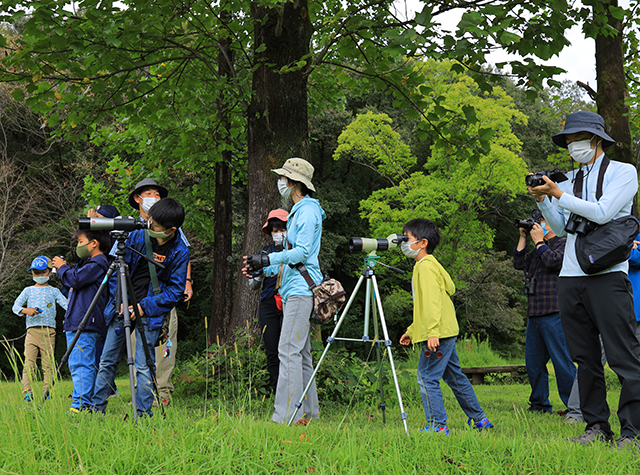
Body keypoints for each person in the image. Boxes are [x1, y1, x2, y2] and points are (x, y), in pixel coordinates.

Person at [529, 110, 640, 448]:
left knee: (624, 356)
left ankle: (634, 432)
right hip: (570, 276)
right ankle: (596, 427)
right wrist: (545, 200)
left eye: (578, 138)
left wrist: (560, 195)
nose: (573, 145)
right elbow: (562, 229)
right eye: (568, 140)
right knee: (585, 357)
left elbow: (605, 213)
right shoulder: (568, 180)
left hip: (608, 276)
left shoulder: (624, 172)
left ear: (596, 139)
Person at [243, 157, 324, 425]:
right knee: (300, 354)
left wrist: (268, 259)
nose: (280, 182)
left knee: (288, 351)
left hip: (301, 290)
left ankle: (286, 416)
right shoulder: (301, 210)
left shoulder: (308, 211)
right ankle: (308, 414)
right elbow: (291, 262)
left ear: (293, 182)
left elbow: (301, 252)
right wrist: (261, 269)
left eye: (283, 178)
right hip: (295, 287)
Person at [92, 197, 190, 417]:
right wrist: (122, 300)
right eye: (150, 220)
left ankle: (143, 414)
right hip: (122, 307)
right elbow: (117, 271)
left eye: (155, 224)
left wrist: (144, 307)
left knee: (144, 365)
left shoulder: (180, 251)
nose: (149, 225)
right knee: (107, 360)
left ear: (172, 229)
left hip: (150, 313)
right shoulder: (137, 236)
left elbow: (175, 291)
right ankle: (96, 409)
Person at [399, 218, 493, 434]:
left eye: (407, 238)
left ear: (422, 242)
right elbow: (426, 306)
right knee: (455, 377)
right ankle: (480, 420)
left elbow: (432, 302)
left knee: (426, 377)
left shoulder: (425, 268)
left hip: (438, 333)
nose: (403, 242)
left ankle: (437, 425)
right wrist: (412, 331)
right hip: (445, 331)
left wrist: (432, 333)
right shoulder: (430, 265)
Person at [127, 178, 193, 407]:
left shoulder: (172, 225)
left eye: (157, 194)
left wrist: (187, 281)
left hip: (162, 297)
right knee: (138, 348)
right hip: (136, 299)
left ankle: (162, 391)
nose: (153, 198)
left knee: (165, 345)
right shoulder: (133, 228)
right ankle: (143, 393)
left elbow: (184, 256)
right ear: (137, 198)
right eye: (148, 193)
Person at [513, 213, 577, 416]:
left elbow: (553, 262)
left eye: (543, 221)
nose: (539, 225)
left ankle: (574, 406)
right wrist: (523, 237)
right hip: (535, 312)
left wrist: (540, 241)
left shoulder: (564, 243)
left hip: (555, 311)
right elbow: (518, 263)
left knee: (562, 361)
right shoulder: (536, 249)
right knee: (533, 363)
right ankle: (539, 404)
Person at [52, 230, 111, 412]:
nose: (78, 246)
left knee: (81, 364)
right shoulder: (90, 264)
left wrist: (62, 267)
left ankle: (82, 405)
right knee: (80, 363)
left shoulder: (99, 263)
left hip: (85, 320)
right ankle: (82, 401)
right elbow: (72, 281)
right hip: (79, 319)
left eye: (80, 241)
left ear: (94, 243)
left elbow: (75, 279)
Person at [12, 256, 68, 402]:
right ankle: (27, 394)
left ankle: (47, 393)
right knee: (28, 364)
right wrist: (26, 310)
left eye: (43, 272)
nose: (39, 276)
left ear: (50, 272)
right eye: (36, 273)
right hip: (31, 331)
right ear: (32, 273)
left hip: (49, 332)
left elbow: (67, 306)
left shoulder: (54, 291)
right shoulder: (28, 290)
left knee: (48, 365)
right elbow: (15, 307)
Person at [248, 209, 288, 393]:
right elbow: (253, 285)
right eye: (274, 230)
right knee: (272, 349)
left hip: (290, 300)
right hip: (268, 303)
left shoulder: (296, 250)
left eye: (281, 228)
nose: (277, 233)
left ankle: (292, 390)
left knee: (289, 349)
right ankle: (276, 391)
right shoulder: (263, 252)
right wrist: (255, 273)